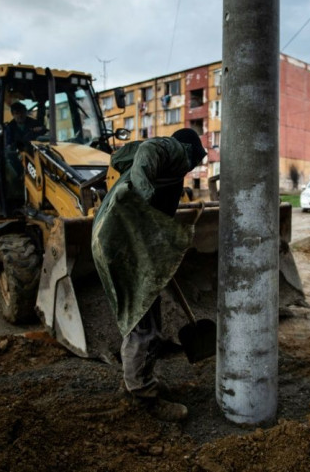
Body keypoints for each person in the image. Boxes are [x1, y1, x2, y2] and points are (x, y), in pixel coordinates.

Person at [91, 128, 206, 421]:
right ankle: (142, 396)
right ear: (192, 151)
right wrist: (144, 200)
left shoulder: (164, 171)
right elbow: (150, 149)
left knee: (140, 314)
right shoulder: (177, 151)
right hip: (123, 238)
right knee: (144, 321)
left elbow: (125, 159)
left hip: (112, 238)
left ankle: (133, 382)